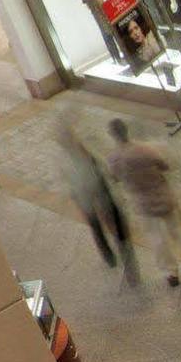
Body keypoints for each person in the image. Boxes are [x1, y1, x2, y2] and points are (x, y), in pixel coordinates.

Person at [106, 118, 181, 286]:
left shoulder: (114, 158)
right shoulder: (146, 149)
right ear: (126, 131)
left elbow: (115, 178)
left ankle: (171, 273)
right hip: (164, 198)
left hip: (143, 204)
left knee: (158, 240)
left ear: (113, 135)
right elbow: (165, 166)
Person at [55, 115, 137, 285]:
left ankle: (127, 261)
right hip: (90, 199)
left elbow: (102, 166)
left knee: (117, 225)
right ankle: (109, 255)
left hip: (103, 193)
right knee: (97, 226)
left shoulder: (85, 148)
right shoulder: (66, 162)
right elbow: (72, 184)